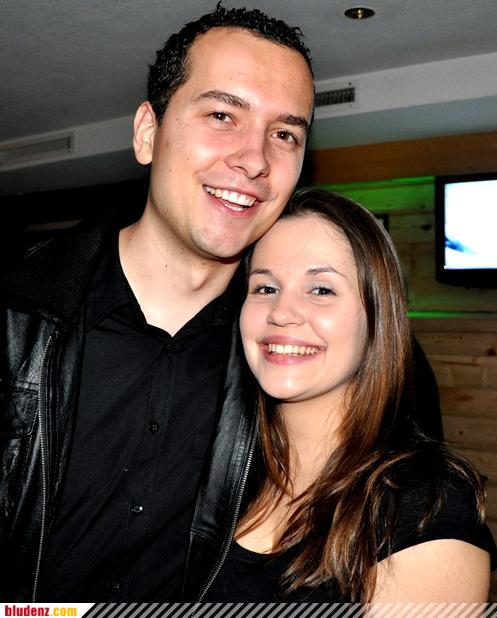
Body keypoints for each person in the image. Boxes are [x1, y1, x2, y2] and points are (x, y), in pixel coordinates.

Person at [0, 5, 314, 601]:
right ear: (148, 133)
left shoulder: (296, 354)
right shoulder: (16, 316)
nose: (254, 160)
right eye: (222, 115)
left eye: (285, 134)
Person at [196, 188, 497, 603]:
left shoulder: (421, 505)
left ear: (377, 316)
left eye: (321, 290)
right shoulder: (220, 467)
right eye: (265, 288)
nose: (281, 312)